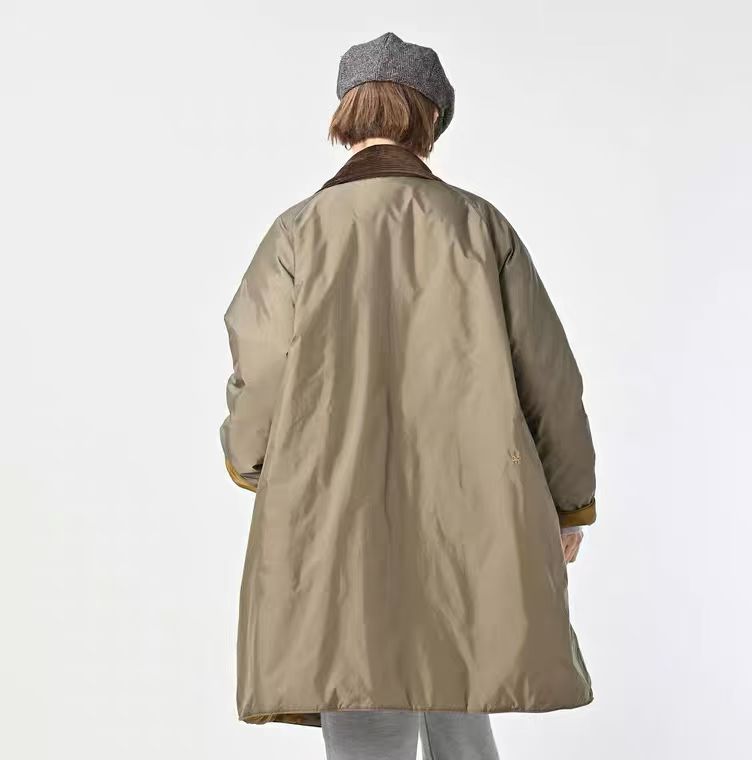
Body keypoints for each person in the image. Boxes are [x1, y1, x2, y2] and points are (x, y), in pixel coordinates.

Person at [219, 31, 597, 760]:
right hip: (472, 503)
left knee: (357, 675)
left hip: (331, 505)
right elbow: (550, 375)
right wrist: (568, 503)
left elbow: (258, 369)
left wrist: (251, 462)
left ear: (346, 114)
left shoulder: (298, 232)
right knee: (461, 680)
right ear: (433, 118)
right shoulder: (479, 226)